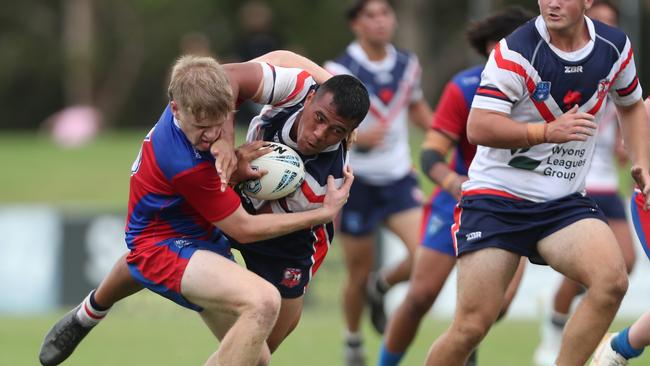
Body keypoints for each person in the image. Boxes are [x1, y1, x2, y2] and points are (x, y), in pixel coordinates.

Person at [38, 52, 369, 366]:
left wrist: (335, 92)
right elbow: (241, 227)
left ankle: (89, 312)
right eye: (321, 118)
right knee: (251, 313)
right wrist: (229, 152)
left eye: (336, 130)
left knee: (256, 353)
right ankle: (91, 311)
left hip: (285, 233)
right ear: (176, 110)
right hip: (196, 222)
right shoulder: (189, 164)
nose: (211, 138)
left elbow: (274, 61)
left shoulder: (323, 179)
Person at [424, 0, 650, 365]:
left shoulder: (614, 47)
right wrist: (544, 131)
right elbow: (478, 126)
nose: (552, 2)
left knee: (611, 282)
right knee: (471, 327)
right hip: (495, 201)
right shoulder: (515, 51)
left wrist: (642, 162)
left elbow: (631, 104)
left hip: (562, 203)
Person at [377, 6, 534, 366]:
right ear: (492, 48)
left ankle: (463, 350)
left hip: (517, 207)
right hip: (458, 201)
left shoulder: (544, 90)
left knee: (496, 306)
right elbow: (431, 156)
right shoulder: (465, 87)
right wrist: (453, 181)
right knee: (421, 295)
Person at [324, 1, 433, 363]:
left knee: (425, 257)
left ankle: (382, 285)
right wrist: (352, 136)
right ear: (356, 24)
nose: (381, 21)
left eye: (386, 13)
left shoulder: (407, 64)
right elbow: (321, 123)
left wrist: (441, 134)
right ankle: (353, 341)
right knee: (357, 272)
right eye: (371, 15)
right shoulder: (339, 69)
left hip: (399, 178)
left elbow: (415, 105)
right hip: (357, 183)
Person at [533, 2, 637, 364]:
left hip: (611, 182)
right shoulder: (574, 73)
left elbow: (633, 118)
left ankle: (595, 333)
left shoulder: (619, 79)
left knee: (627, 262)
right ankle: (552, 334)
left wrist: (632, 153)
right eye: (601, 23)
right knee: (599, 273)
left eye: (612, 25)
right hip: (582, 181)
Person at [589, 97, 650, 366]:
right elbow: (639, 121)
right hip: (645, 198)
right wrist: (645, 168)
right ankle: (619, 348)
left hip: (610, 189)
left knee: (626, 261)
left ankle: (618, 348)